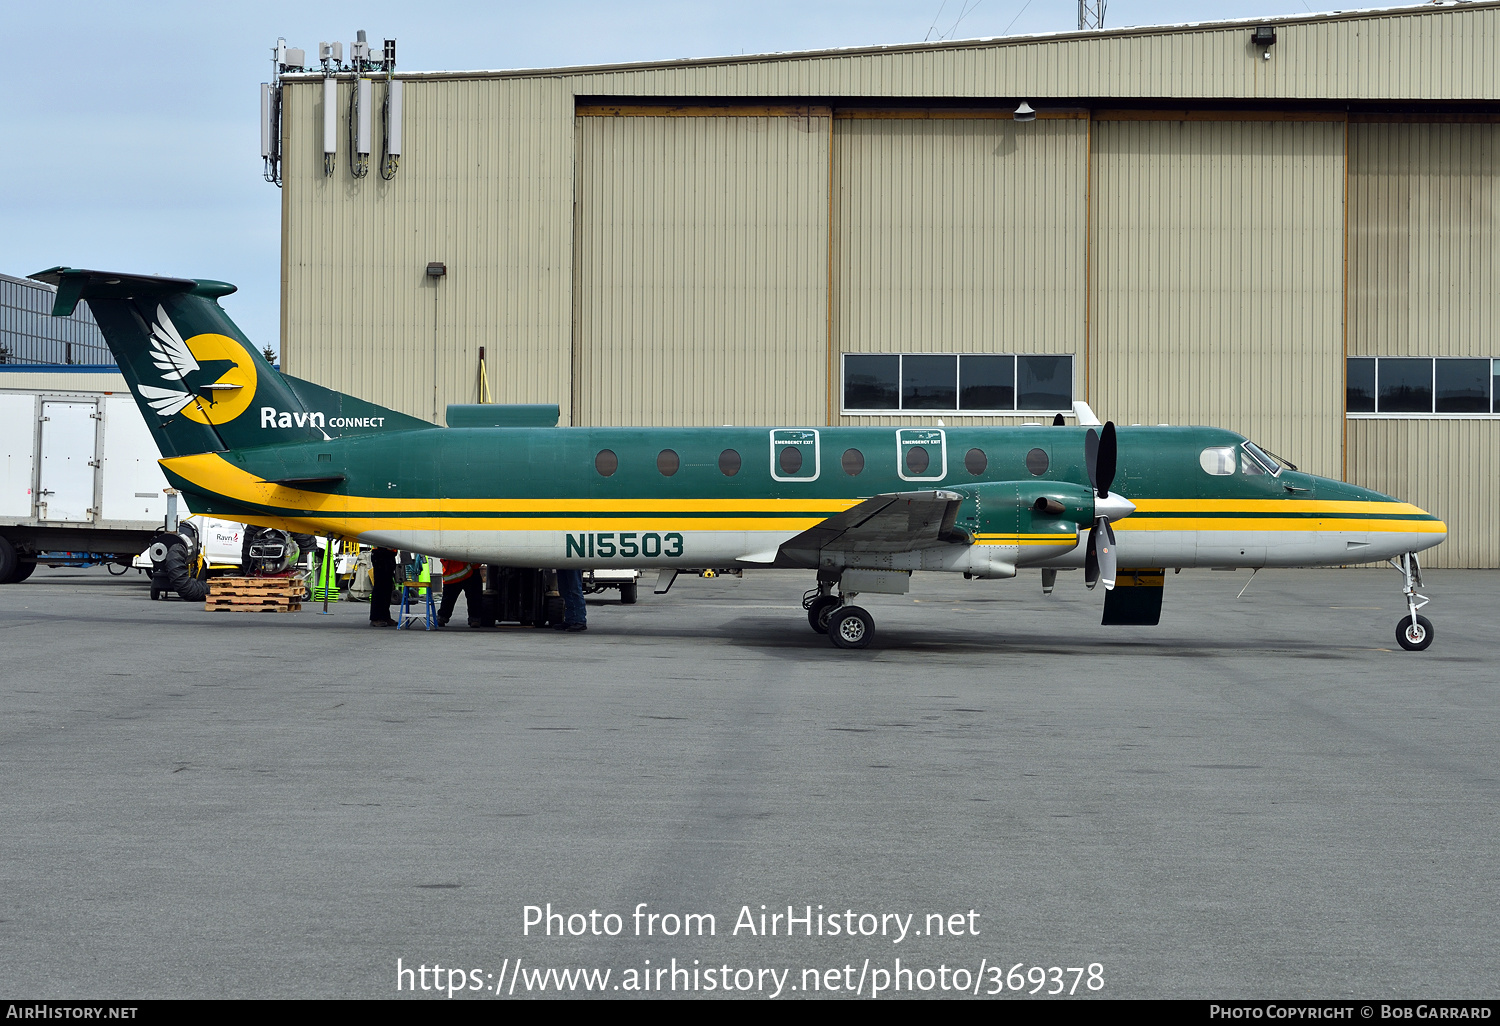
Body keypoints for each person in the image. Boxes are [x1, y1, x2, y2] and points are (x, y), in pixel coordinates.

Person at [438, 559, 484, 627]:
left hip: (453, 573)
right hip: (467, 572)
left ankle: (442, 617)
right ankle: (475, 619)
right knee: (474, 597)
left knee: (448, 598)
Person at [369, 547, 396, 627]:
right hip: (380, 554)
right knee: (379, 588)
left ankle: (385, 616)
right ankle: (375, 618)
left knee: (387, 588)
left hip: (389, 554)